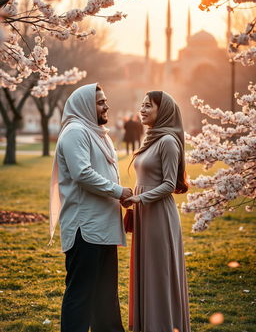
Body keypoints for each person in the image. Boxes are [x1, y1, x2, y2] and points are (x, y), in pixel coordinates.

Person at [49, 83, 133, 332]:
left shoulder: (96, 132)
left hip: (103, 227)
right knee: (81, 294)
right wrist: (118, 192)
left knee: (105, 295)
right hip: (84, 228)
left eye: (105, 100)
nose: (106, 105)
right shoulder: (75, 131)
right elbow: (82, 173)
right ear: (85, 106)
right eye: (100, 102)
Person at [122, 91, 191, 332]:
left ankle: (161, 325)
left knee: (158, 272)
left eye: (148, 106)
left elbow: (169, 184)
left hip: (159, 215)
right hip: (144, 212)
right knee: (146, 269)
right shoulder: (151, 138)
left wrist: (139, 197)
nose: (142, 110)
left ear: (163, 111)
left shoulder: (168, 141)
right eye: (141, 105)